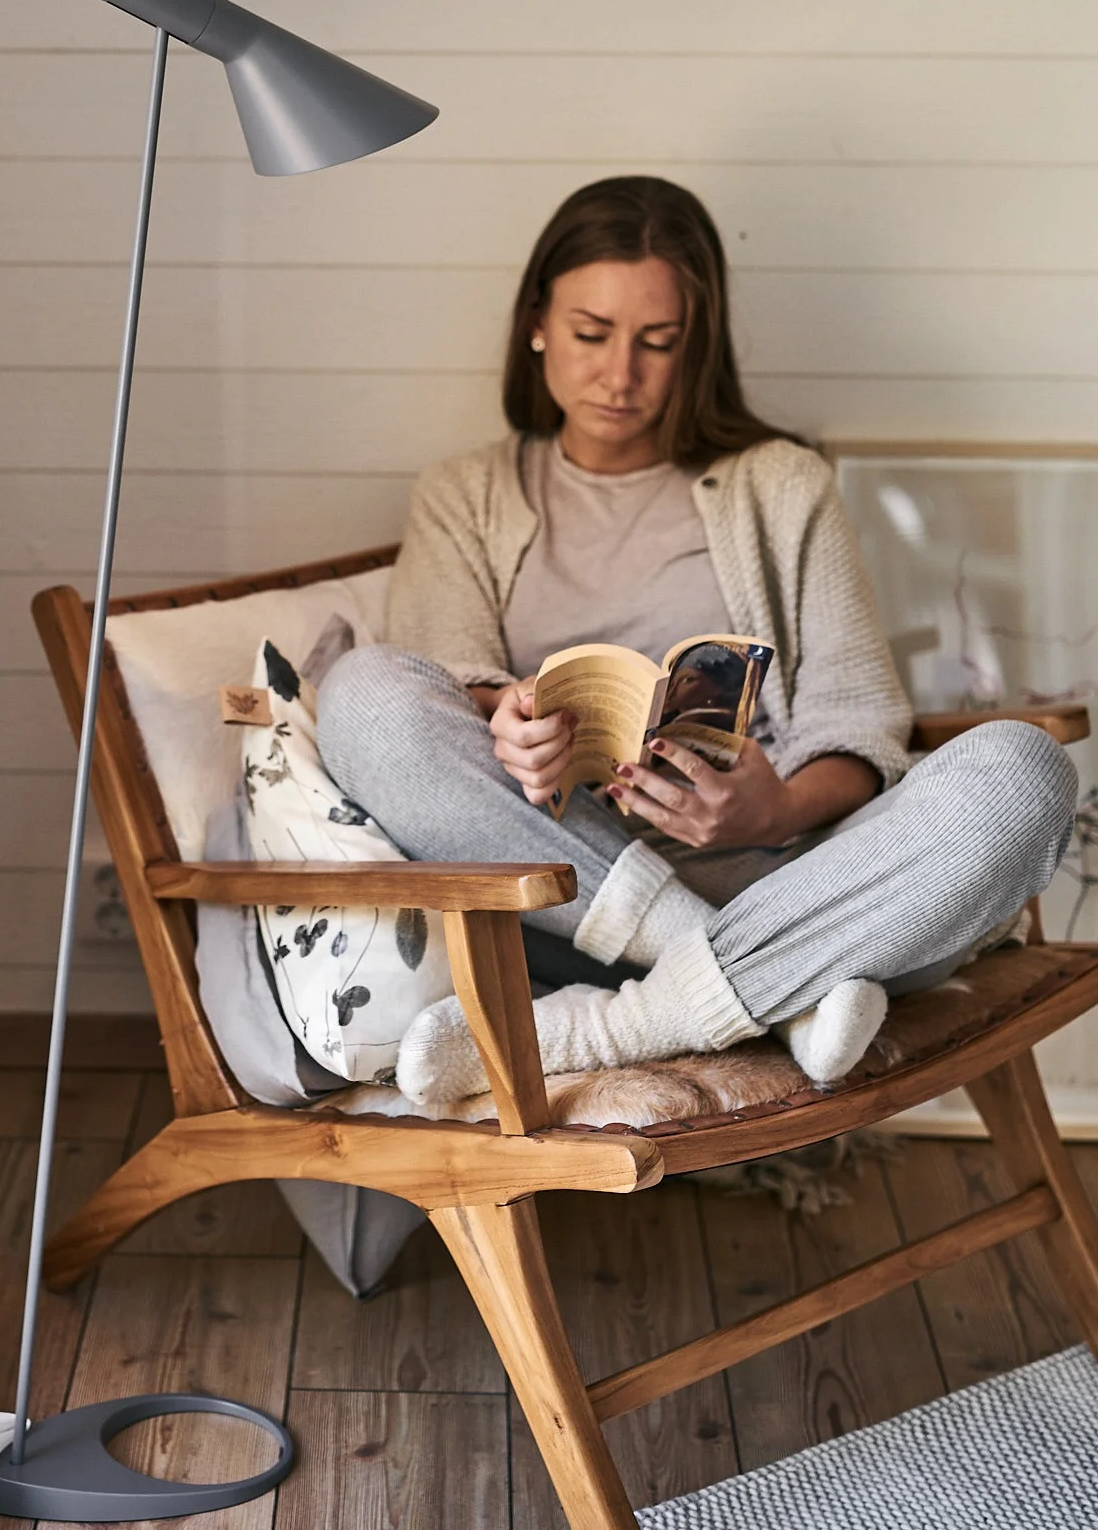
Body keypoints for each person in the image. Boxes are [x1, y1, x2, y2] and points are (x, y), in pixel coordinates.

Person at [315, 176, 1077, 1104]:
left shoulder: (780, 484)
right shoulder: (465, 492)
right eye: (592, 333)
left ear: (697, 345)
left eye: (658, 342)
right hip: (573, 915)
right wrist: (507, 721)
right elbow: (442, 690)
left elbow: (859, 722)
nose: (620, 375)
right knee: (363, 690)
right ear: (537, 325)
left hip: (812, 893)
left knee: (1022, 771)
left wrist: (775, 812)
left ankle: (629, 1024)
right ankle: (752, 988)